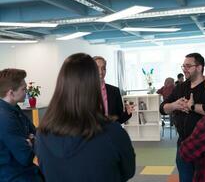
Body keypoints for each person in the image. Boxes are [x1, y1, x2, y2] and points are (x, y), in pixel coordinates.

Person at [35, 53, 135, 182]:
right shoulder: (112, 132)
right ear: (93, 86)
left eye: (103, 68)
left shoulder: (43, 133)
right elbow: (128, 171)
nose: (101, 72)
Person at [159, 53, 205, 182]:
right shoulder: (180, 87)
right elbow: (162, 108)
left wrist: (193, 107)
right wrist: (174, 105)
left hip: (204, 147)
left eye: (188, 66)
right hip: (183, 144)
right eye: (183, 66)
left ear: (199, 67)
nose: (184, 69)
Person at [0, 69, 42, 182]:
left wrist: (31, 141)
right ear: (11, 93)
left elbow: (35, 132)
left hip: (27, 172)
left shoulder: (14, 109)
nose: (26, 92)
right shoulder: (5, 118)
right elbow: (26, 157)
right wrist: (33, 141)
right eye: (23, 89)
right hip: (16, 176)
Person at [93, 56, 134, 124]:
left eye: (103, 68)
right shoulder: (84, 92)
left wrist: (127, 113)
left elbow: (119, 119)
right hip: (92, 133)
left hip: (110, 132)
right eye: (97, 68)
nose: (100, 72)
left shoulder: (114, 91)